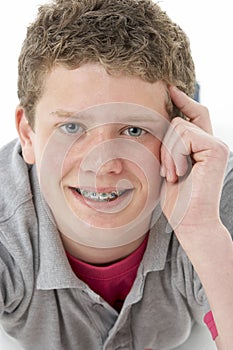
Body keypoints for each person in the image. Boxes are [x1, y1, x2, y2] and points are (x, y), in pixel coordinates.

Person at [0, 0, 232, 349]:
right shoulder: (7, 224)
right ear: (29, 134)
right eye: (72, 126)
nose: (103, 163)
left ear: (178, 134)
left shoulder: (212, 190)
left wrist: (203, 232)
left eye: (134, 130)